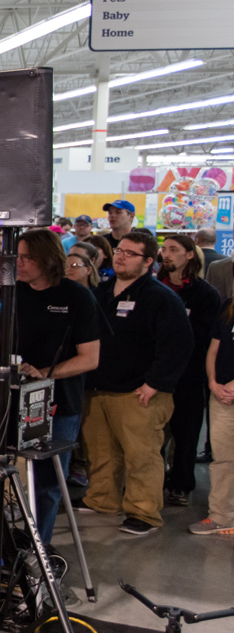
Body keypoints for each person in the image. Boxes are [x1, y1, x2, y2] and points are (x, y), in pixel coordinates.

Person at [76, 228, 193, 536]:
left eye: (130, 253)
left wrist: (155, 383)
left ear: (149, 261)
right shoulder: (100, 291)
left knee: (141, 457)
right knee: (100, 452)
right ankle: (102, 498)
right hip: (98, 387)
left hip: (139, 392)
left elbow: (177, 346)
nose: (121, 257)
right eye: (119, 252)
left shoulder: (161, 298)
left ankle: (144, 512)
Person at [0, 229, 101, 544]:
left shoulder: (77, 296)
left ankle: (39, 547)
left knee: (47, 482)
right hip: (8, 398)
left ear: (47, 258)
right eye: (17, 257)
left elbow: (90, 358)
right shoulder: (8, 292)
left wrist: (42, 372)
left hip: (58, 403)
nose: (20, 264)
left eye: (28, 258)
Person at [157, 234, 221, 508]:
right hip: (154, 375)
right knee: (153, 438)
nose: (166, 254)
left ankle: (180, 485)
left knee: (186, 436)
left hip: (189, 377)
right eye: (164, 249)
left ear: (190, 254)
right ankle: (153, 483)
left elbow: (205, 338)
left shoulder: (205, 294)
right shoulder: (151, 287)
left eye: (173, 249)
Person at [193, 293, 234, 535]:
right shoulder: (228, 305)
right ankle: (221, 515)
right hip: (221, 395)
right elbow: (213, 349)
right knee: (223, 460)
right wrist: (212, 382)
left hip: (229, 390)